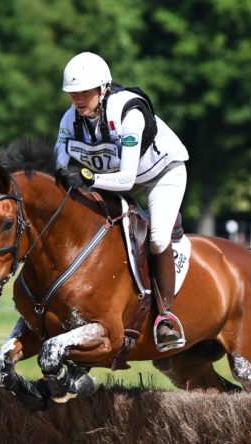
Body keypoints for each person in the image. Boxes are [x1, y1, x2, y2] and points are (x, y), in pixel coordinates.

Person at [54, 51, 190, 352]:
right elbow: (59, 166)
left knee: (156, 238)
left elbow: (127, 180)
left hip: (162, 173)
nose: (78, 99)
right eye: (73, 93)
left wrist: (87, 178)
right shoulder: (70, 119)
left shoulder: (129, 113)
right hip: (113, 177)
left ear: (103, 88)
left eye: (85, 92)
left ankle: (166, 317)